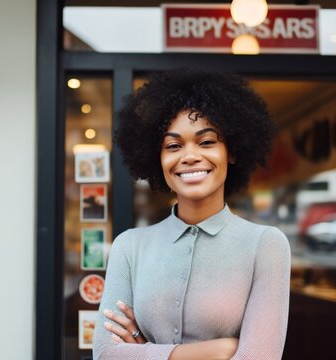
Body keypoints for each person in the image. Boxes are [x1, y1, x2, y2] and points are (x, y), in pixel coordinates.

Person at [92, 69, 291, 360]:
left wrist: (144, 351)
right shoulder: (130, 246)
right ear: (157, 158)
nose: (189, 156)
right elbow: (106, 353)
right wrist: (221, 350)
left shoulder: (266, 245)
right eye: (173, 145)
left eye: (207, 142)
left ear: (231, 151)